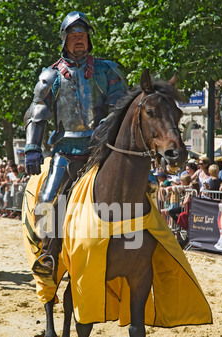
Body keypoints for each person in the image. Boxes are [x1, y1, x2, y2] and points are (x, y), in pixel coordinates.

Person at [24, 11, 128, 279]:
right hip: (67, 151)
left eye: (82, 36)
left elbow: (121, 106)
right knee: (48, 199)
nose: (79, 40)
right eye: (73, 36)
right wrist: (33, 147)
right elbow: (37, 111)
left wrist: (104, 129)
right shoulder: (51, 75)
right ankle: (47, 254)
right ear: (64, 40)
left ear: (89, 39)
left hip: (102, 149)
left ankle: (147, 241)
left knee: (141, 184)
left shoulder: (107, 70)